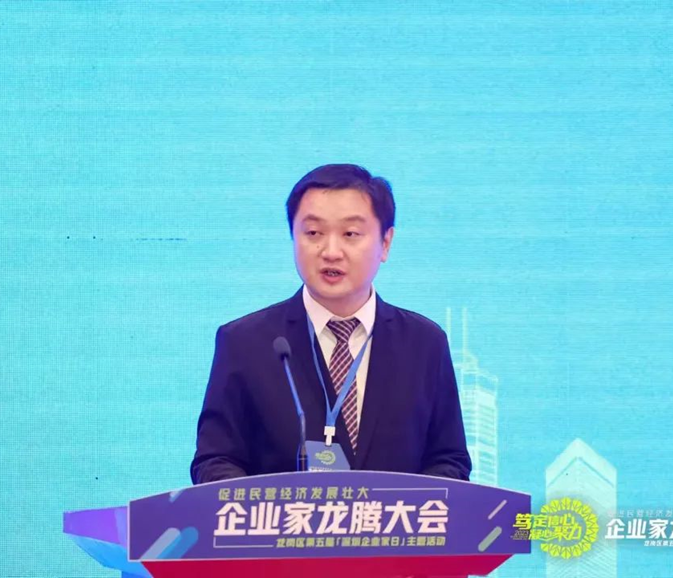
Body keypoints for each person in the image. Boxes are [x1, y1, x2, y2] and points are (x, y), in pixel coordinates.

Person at [190, 164, 471, 483]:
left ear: (386, 243)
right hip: (285, 516)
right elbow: (216, 459)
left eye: (350, 234)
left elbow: (448, 459)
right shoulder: (245, 342)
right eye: (313, 233)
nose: (331, 251)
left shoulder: (424, 343)